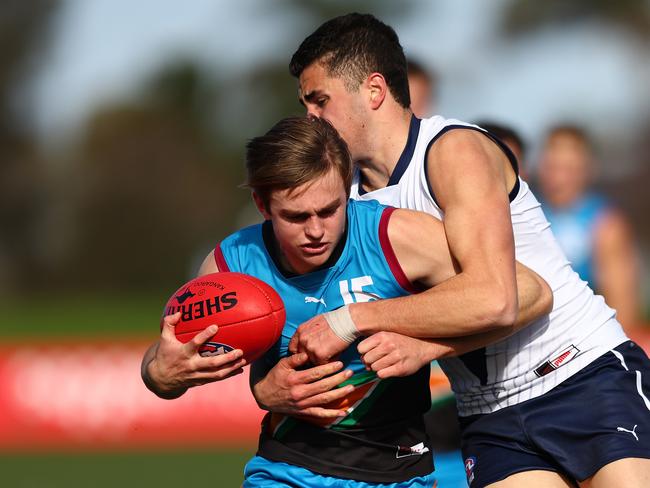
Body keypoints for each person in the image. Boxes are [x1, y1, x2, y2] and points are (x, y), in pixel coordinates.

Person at [277, 12, 650, 487]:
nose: (310, 116)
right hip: (488, 414)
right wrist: (268, 386)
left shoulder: (453, 152)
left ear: (373, 91)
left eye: (319, 100)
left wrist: (357, 321)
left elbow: (498, 298)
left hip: (582, 375)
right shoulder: (339, 202)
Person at [142, 116, 552, 487]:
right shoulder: (231, 265)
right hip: (287, 468)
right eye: (296, 217)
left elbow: (530, 292)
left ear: (347, 187)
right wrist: (164, 372)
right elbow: (162, 366)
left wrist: (424, 345)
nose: (316, 230)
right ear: (262, 205)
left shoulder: (395, 237)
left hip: (399, 469)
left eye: (329, 209)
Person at [537, 124, 643, 332]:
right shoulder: (531, 214)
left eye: (569, 169)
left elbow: (624, 307)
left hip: (586, 340)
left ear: (588, 169)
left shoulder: (605, 224)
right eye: (553, 167)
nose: (559, 179)